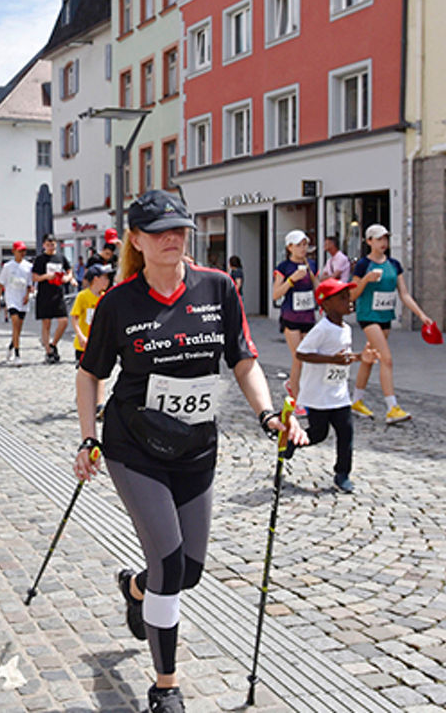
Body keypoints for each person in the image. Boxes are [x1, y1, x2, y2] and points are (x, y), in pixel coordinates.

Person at [74, 190, 305, 713]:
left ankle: (135, 589)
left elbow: (243, 359)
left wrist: (269, 416)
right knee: (168, 563)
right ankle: (166, 686)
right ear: (137, 240)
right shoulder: (119, 303)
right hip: (134, 448)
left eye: (179, 229)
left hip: (195, 446)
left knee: (189, 570)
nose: (172, 239)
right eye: (159, 232)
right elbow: (90, 374)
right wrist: (88, 436)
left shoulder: (217, 288)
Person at [289, 278, 378, 493]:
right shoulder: (322, 329)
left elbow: (343, 357)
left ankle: (342, 474)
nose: (349, 301)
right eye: (342, 298)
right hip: (318, 395)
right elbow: (302, 353)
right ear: (326, 304)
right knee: (318, 434)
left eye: (349, 297)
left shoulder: (346, 328)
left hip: (339, 393)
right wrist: (331, 360)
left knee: (346, 432)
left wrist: (361, 357)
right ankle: (291, 442)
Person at [350, 224, 433, 424]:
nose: (383, 243)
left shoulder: (394, 264)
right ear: (369, 241)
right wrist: (366, 280)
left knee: (369, 357)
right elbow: (352, 294)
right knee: (386, 359)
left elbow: (404, 294)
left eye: (385, 238)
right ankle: (391, 407)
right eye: (379, 239)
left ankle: (356, 400)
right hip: (368, 315)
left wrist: (421, 315)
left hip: (385, 316)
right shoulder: (363, 265)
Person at [273, 230, 318, 412]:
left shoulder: (311, 264)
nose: (303, 248)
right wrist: (292, 280)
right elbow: (276, 294)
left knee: (309, 358)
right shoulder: (284, 267)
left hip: (308, 315)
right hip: (291, 316)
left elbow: (317, 288)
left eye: (305, 244)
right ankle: (296, 399)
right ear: (290, 247)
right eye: (299, 245)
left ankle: (299, 388)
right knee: (298, 358)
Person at [31, 234, 70, 364]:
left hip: (58, 293)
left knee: (64, 321)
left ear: (56, 244)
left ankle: (53, 344)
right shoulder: (40, 259)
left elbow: (69, 271)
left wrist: (67, 278)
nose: (51, 247)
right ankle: (48, 351)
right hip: (44, 294)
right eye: (48, 244)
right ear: (44, 245)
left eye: (52, 244)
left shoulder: (61, 257)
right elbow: (34, 277)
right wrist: (46, 277)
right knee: (46, 323)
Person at [0, 242, 33, 364]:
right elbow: (0, 284)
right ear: (14, 252)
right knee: (15, 323)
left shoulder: (28, 266)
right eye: (19, 251)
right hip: (11, 299)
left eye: (24, 251)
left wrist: (27, 295)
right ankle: (17, 354)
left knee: (18, 329)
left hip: (22, 300)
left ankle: (11, 346)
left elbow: (29, 284)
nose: (22, 253)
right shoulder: (8, 266)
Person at [71, 263, 112, 361]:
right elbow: (74, 318)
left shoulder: (105, 297)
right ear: (95, 279)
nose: (108, 281)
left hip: (100, 344)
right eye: (105, 278)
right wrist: (80, 336)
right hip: (83, 345)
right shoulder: (82, 296)